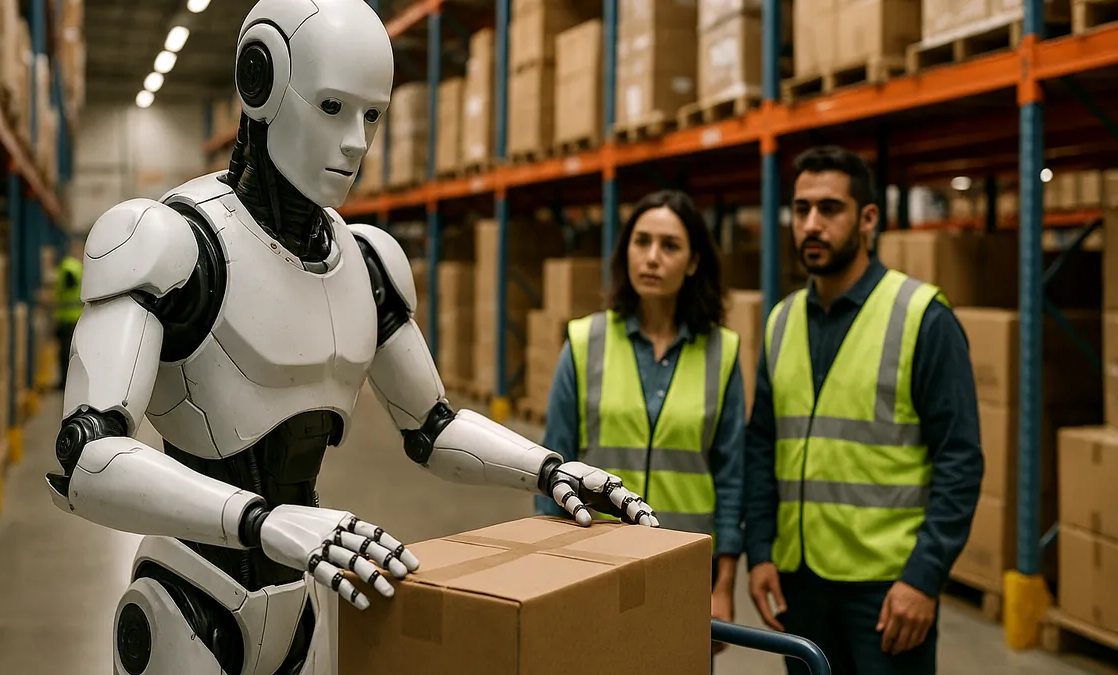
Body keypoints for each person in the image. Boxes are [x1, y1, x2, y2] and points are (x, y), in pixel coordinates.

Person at [43, 1, 658, 672]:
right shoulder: (168, 242)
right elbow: (88, 457)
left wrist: (548, 467)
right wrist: (262, 520)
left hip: (312, 581)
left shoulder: (367, 261)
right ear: (261, 81)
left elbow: (432, 426)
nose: (357, 142)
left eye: (372, 115)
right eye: (332, 107)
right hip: (190, 587)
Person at [743, 145, 983, 675]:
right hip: (799, 585)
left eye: (829, 209)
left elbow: (960, 459)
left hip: (887, 593)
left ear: (868, 219)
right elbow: (761, 444)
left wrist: (924, 576)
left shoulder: (922, 317)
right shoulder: (781, 321)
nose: (810, 224)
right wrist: (760, 551)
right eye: (801, 209)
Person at [536, 189, 746, 655]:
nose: (652, 257)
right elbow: (552, 470)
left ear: (693, 263)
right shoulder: (585, 342)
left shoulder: (722, 352)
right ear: (625, 251)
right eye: (642, 241)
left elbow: (732, 479)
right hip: (593, 566)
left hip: (685, 567)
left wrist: (724, 585)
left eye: (670, 246)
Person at [52, 244, 84, 389]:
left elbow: (68, 288)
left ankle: (65, 383)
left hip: (67, 319)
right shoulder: (76, 267)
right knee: (71, 353)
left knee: (65, 354)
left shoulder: (68, 268)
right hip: (74, 318)